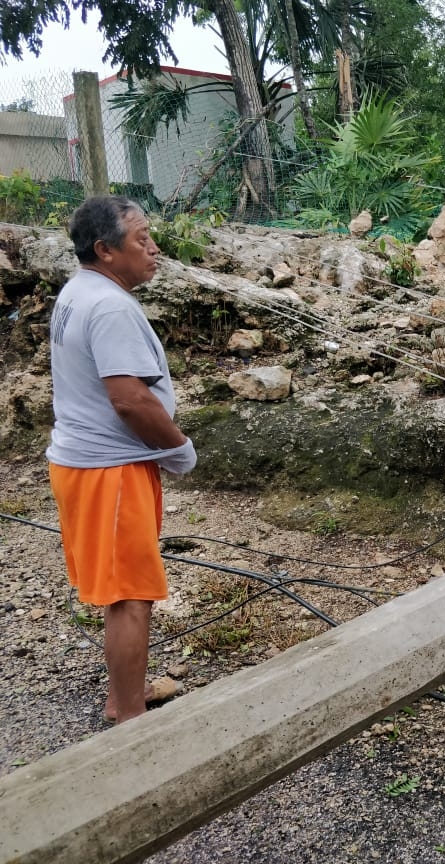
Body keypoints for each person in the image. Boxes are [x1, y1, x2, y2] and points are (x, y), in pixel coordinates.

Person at [46, 195, 197, 724]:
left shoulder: (78, 291)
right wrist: (176, 446)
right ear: (105, 250)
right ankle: (128, 716)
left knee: (124, 588)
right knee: (130, 595)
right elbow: (129, 398)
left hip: (90, 464)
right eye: (141, 239)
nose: (154, 249)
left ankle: (126, 694)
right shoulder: (109, 306)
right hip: (109, 471)